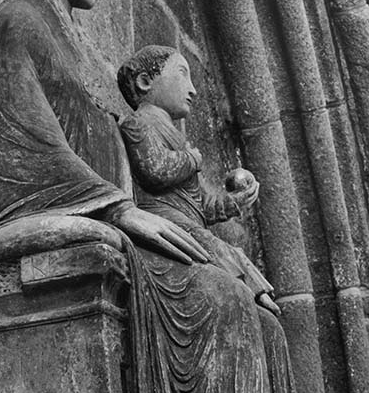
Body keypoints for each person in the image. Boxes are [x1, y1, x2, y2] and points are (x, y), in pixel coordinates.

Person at [0, 0, 311, 393]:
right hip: (84, 214)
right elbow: (29, 138)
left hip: (107, 213)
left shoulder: (66, 33)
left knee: (257, 312)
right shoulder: (18, 21)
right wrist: (119, 210)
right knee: (217, 295)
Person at [116, 45, 281, 317]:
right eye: (183, 75)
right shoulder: (139, 124)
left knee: (225, 248)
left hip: (188, 220)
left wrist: (235, 201)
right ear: (145, 81)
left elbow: (202, 203)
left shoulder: (180, 139)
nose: (192, 89)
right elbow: (154, 170)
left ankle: (259, 295)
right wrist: (191, 160)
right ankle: (254, 292)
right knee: (218, 248)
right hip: (164, 217)